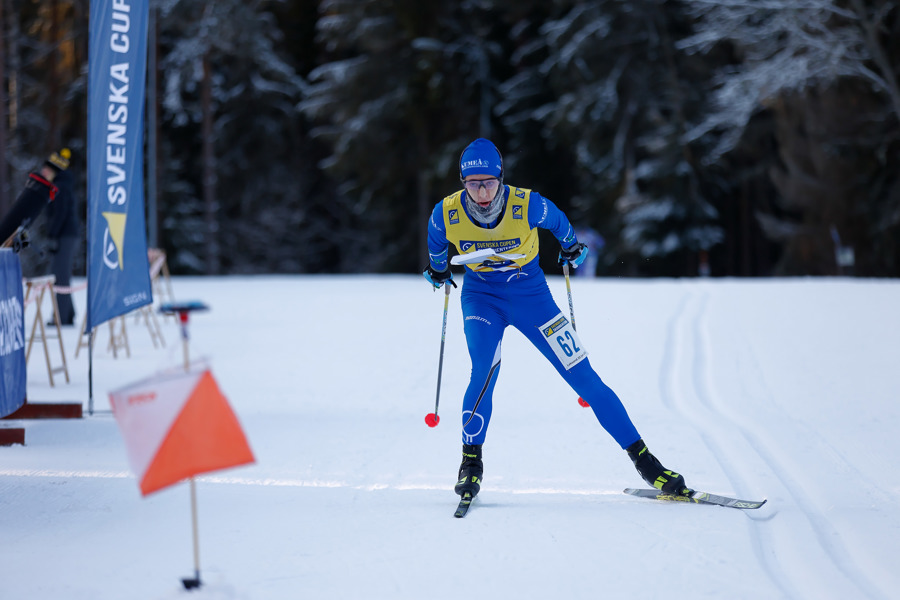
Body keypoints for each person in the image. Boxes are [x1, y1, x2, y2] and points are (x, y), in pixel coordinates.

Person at [423, 138, 689, 504]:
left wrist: (571, 247)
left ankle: (646, 462)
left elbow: (561, 223)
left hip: (533, 298)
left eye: (489, 183)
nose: (482, 193)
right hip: (482, 298)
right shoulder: (446, 213)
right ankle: (471, 461)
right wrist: (437, 270)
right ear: (462, 183)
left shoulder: (526, 204)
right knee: (483, 370)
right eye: (473, 184)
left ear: (501, 179)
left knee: (584, 376)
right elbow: (436, 243)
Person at [43, 149, 79, 325]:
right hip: (66, 234)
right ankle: (68, 314)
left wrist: (53, 234)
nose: (44, 172)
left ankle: (61, 317)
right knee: (62, 274)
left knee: (60, 275)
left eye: (47, 169)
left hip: (64, 235)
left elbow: (60, 212)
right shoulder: (61, 184)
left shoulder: (60, 187)